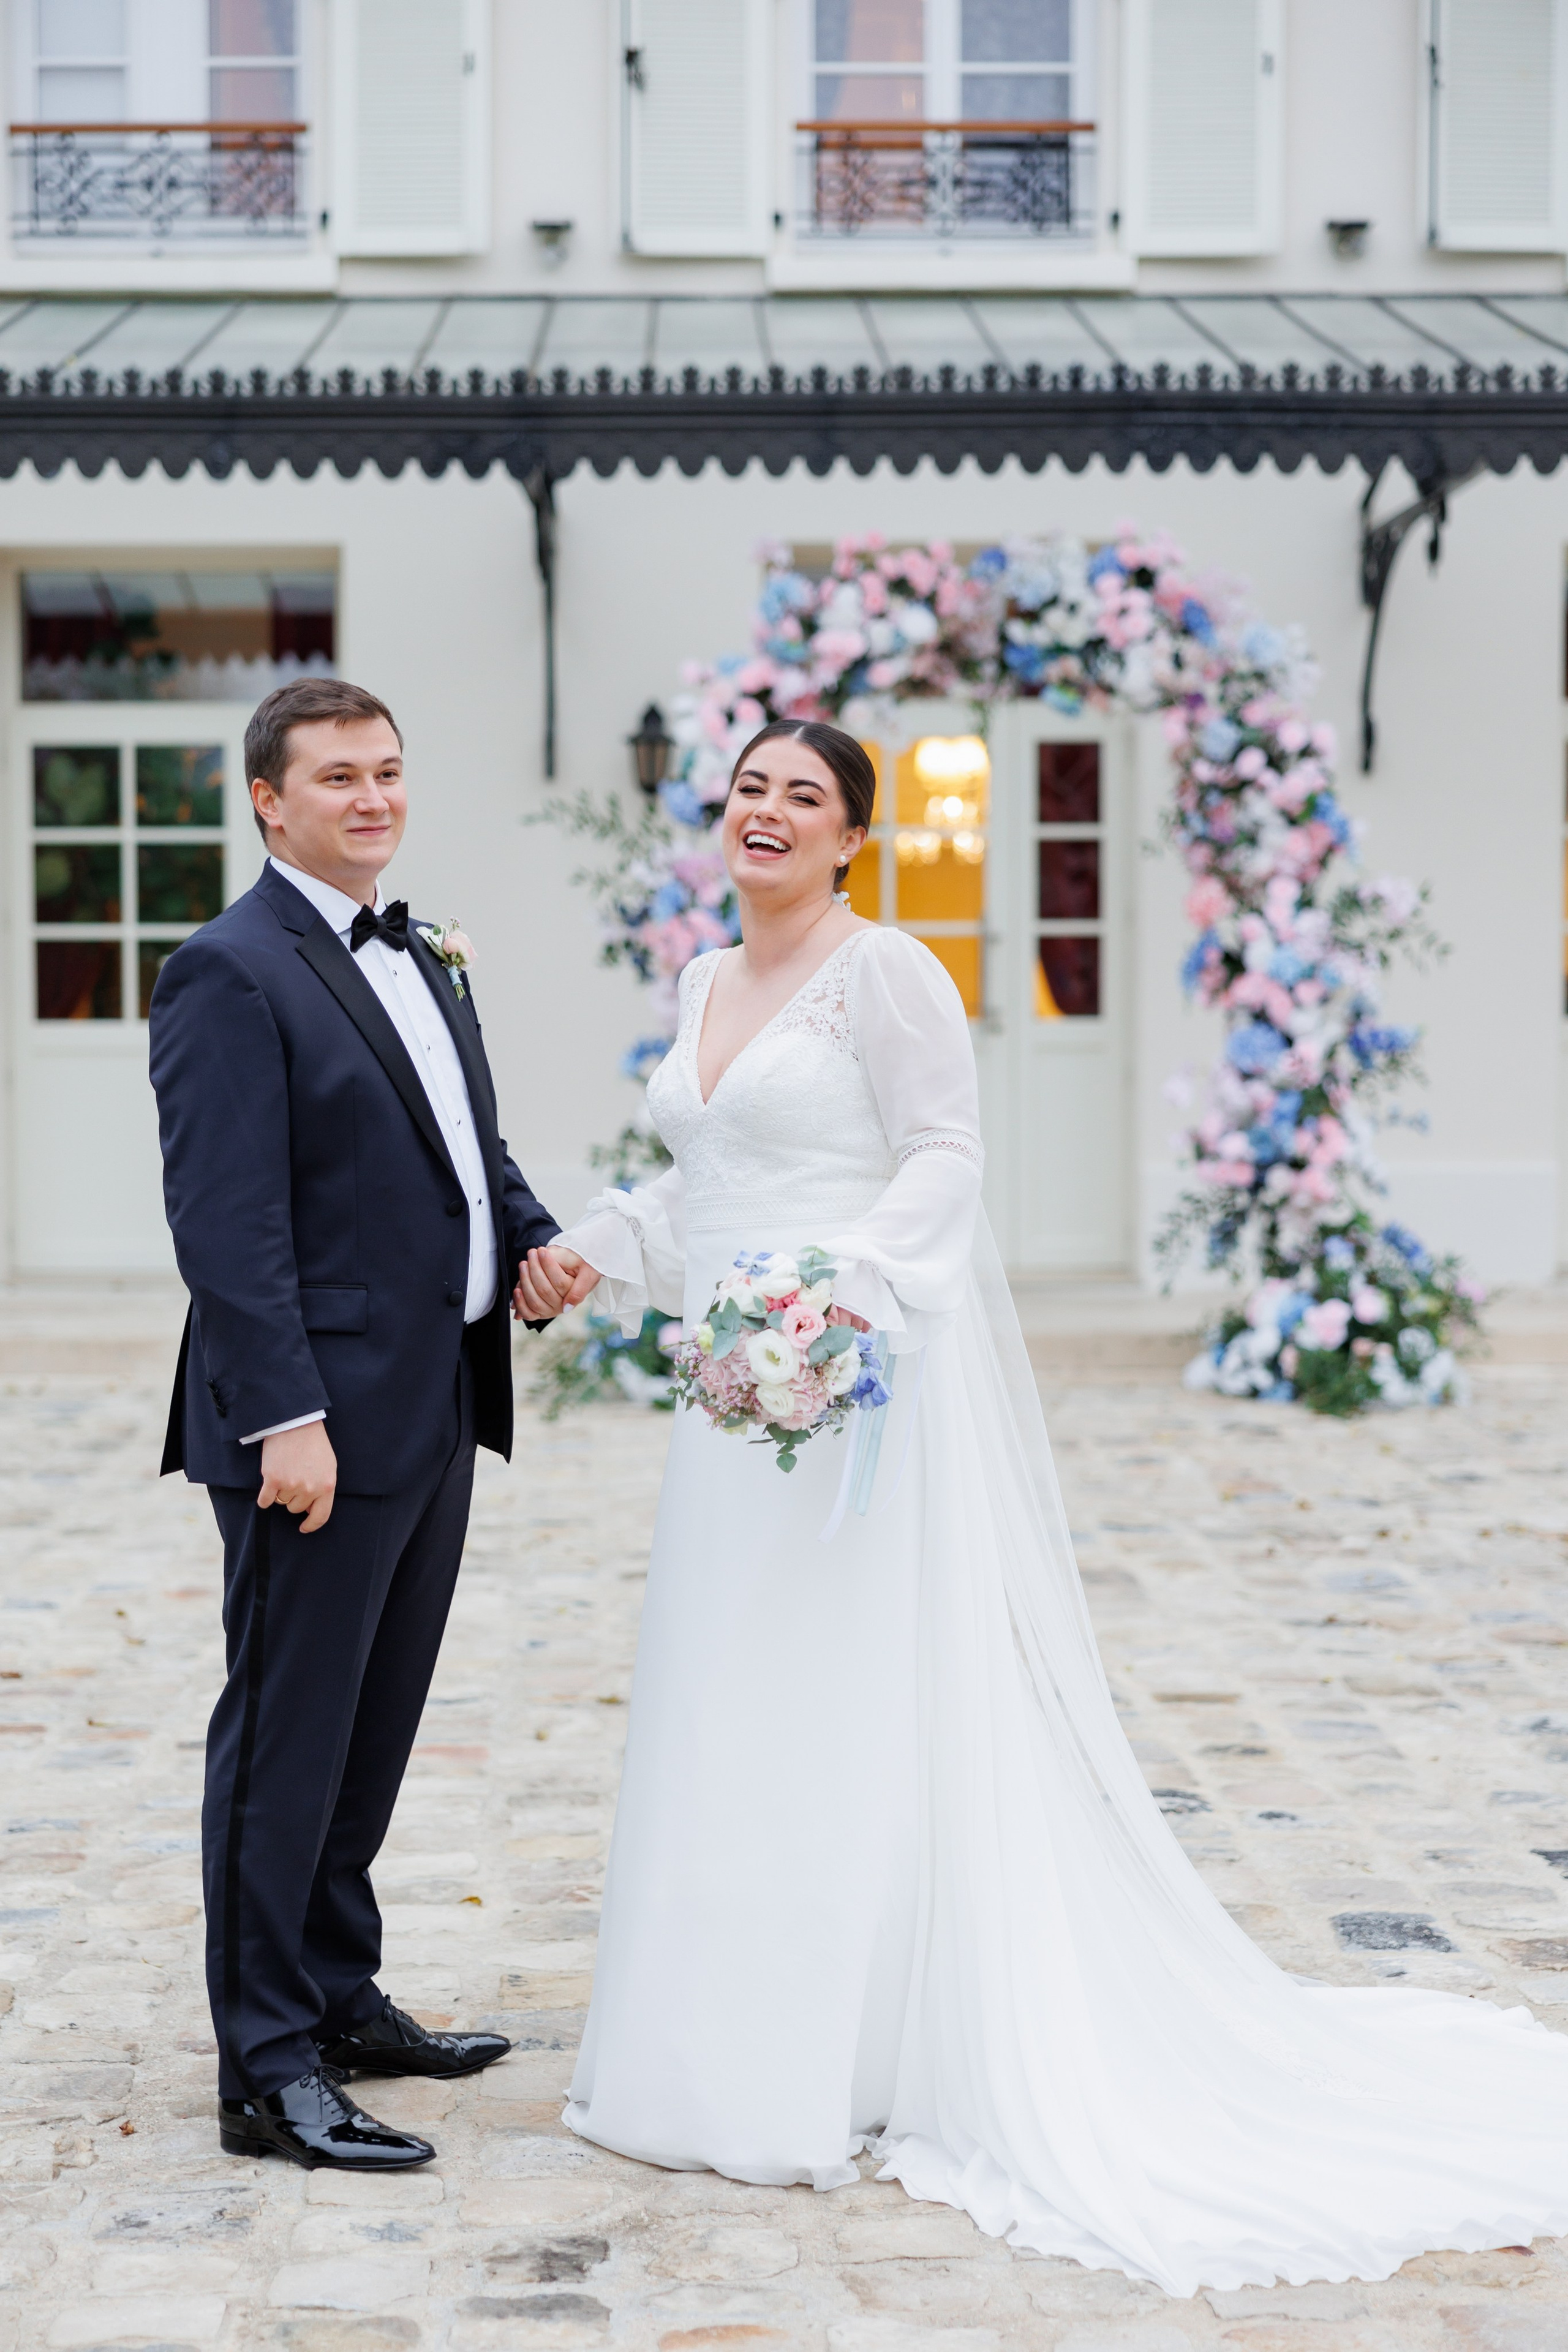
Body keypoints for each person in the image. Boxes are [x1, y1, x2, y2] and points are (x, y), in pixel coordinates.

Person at [519, 717, 1568, 2296]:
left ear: (850, 840)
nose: (768, 812)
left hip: (841, 1392)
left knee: (838, 1708)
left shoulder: (887, 976)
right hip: (731, 1410)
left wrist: (840, 1293)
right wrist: (599, 1240)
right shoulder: (701, 983)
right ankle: (711, 2043)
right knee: (724, 1704)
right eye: (748, 788)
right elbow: (713, 1183)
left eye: (803, 796)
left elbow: (942, 1157)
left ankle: (853, 2054)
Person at [150, 678, 570, 2172]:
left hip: (437, 1402)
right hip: (312, 1433)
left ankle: (335, 1993)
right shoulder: (227, 970)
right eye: (339, 777)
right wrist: (285, 1417)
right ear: (269, 800)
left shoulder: (423, 949)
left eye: (388, 771)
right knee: (283, 1741)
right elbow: (226, 1225)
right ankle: (265, 2072)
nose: (373, 798)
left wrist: (530, 1237)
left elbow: (465, 1143)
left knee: (370, 1733)